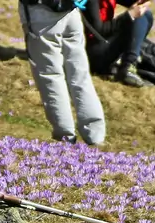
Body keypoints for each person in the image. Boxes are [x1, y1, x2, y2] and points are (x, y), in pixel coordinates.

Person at [18, 0, 106, 146]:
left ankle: (65, 135)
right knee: (80, 75)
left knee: (51, 76)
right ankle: (95, 133)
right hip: (71, 14)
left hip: (41, 15)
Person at [82, 0, 154, 87]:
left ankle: (128, 65)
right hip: (91, 55)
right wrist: (129, 15)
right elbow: (98, 31)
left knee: (145, 15)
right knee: (140, 17)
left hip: (101, 45)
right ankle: (128, 67)